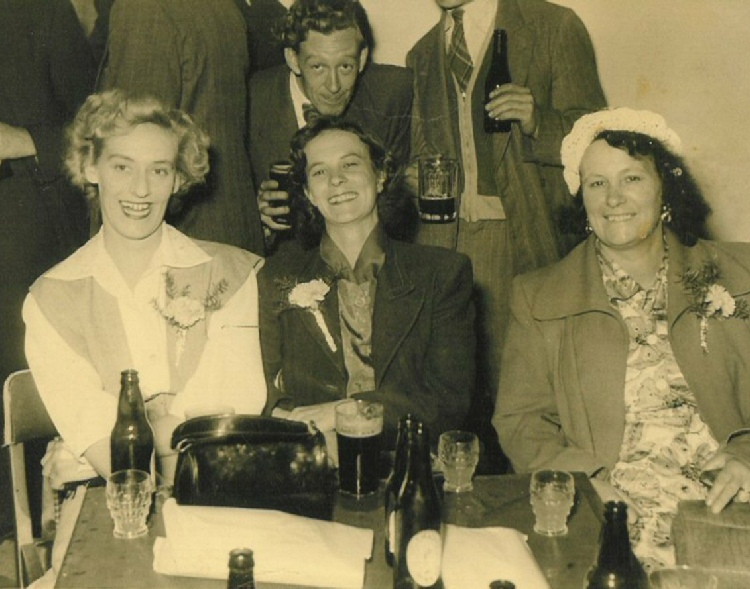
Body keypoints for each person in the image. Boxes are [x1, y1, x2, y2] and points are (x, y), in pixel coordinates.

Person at [493, 107, 750, 570]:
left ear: (665, 187)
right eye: (597, 183)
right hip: (615, 503)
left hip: (731, 498)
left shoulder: (738, 273)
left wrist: (745, 453)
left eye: (631, 178)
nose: (614, 198)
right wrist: (585, 480)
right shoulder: (538, 295)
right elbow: (520, 421)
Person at [24, 90, 267, 492]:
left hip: (219, 490)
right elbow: (101, 440)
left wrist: (86, 458)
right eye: (122, 167)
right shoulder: (50, 300)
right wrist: (112, 447)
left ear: (178, 179)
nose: (141, 190)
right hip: (111, 504)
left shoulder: (230, 274)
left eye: (159, 171)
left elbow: (233, 412)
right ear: (91, 167)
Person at [407, 0, 607, 472]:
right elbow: (420, 152)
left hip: (524, 243)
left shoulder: (554, 27)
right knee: (454, 410)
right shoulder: (422, 53)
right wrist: (410, 180)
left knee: (524, 405)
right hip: (443, 248)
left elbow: (601, 141)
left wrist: (539, 121)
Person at [258, 117, 475, 449]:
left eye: (350, 164)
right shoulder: (275, 277)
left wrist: (346, 411)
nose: (336, 180)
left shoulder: (441, 273)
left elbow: (448, 400)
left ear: (380, 175)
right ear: (308, 193)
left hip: (406, 457)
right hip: (310, 456)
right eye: (319, 172)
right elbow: (263, 390)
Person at [0, 0, 96, 539]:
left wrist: (22, 140)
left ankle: (23, 541)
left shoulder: (39, 11)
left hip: (19, 248)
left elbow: (95, 129)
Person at [100, 0, 265, 254]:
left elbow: (136, 146)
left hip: (176, 243)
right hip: (230, 233)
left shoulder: (146, 9)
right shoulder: (224, 8)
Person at [251, 0, 413, 249]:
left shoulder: (392, 95)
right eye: (318, 67)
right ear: (293, 59)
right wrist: (255, 219)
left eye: (346, 66)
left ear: (362, 58)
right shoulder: (249, 101)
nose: (334, 85)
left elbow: (397, 211)